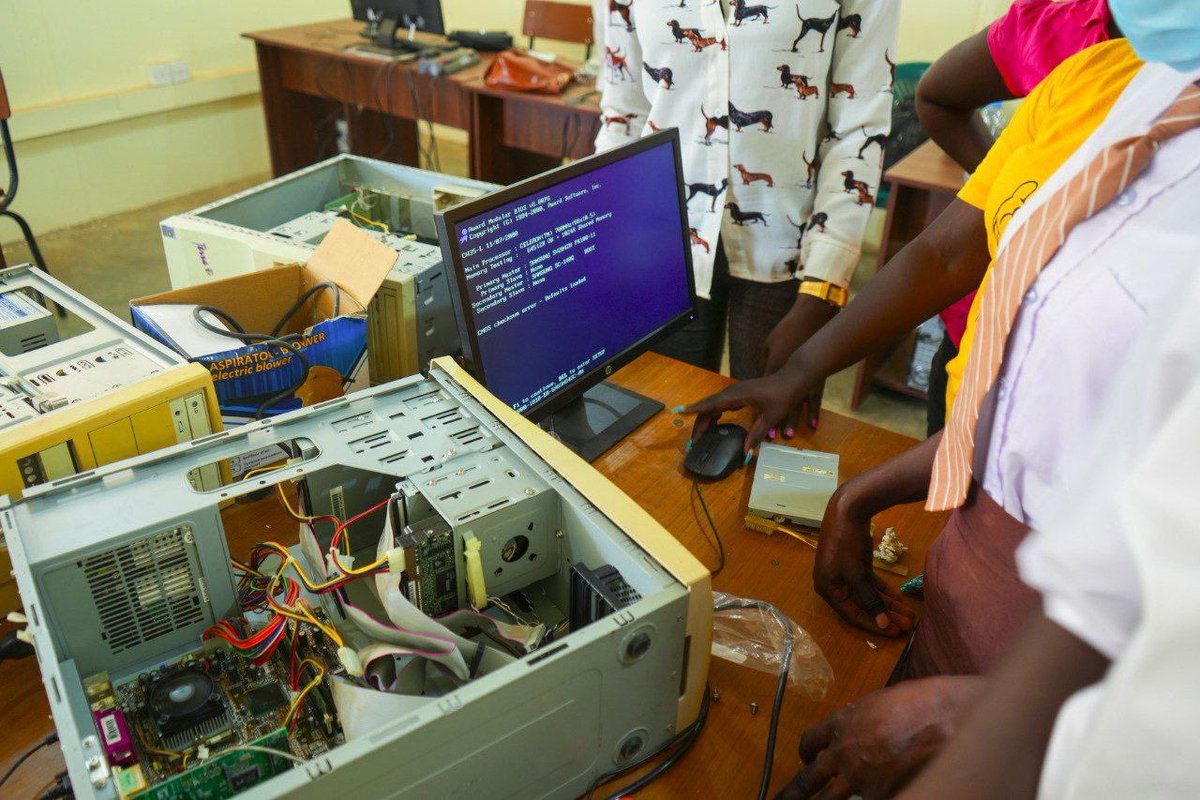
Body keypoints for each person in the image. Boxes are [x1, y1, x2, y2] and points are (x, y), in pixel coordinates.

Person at [765, 9, 1200, 795]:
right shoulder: (1136, 90)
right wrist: (864, 493)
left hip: (1068, 718)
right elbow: (1046, 399)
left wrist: (985, 716)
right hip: (968, 606)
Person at [899, 260, 1200, 800]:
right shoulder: (1109, 186)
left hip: (1036, 736)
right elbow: (1019, 412)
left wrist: (991, 717)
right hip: (956, 671)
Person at [595, 1, 897, 397]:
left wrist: (823, 284)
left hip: (787, 250)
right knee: (656, 422)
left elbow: (860, 127)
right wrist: (604, 239)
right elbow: (624, 112)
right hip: (663, 240)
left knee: (768, 437)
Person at [915, 0, 1117, 435]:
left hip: (1090, 384)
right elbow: (936, 96)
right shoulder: (1061, 33)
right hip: (980, 341)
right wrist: (1003, 190)